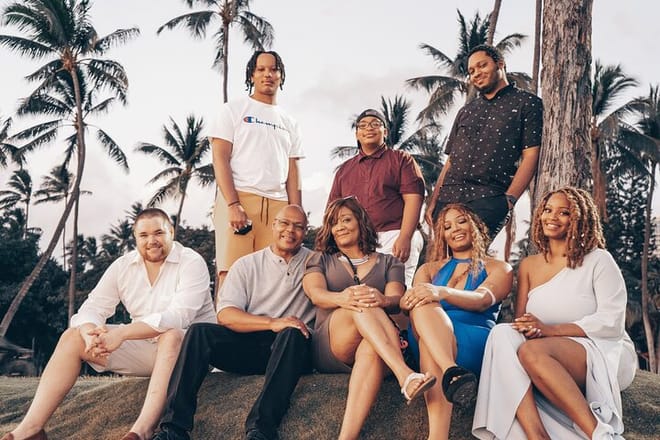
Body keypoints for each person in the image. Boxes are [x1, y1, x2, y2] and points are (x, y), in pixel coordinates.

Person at [1, 208, 216, 440]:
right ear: (135, 237)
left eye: (158, 233)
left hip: (192, 354)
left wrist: (121, 334)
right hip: (150, 351)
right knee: (72, 337)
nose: (151, 241)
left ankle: (140, 432)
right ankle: (30, 430)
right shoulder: (123, 266)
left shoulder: (191, 261)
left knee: (171, 334)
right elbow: (93, 307)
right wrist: (89, 333)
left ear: (171, 232)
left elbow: (178, 316)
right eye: (144, 235)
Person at [472, 187, 637, 440]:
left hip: (602, 349)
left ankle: (600, 433)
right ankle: (537, 435)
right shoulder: (528, 266)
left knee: (530, 351)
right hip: (545, 351)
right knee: (502, 333)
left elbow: (611, 321)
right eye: (548, 210)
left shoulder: (599, 260)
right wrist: (533, 329)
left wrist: (549, 330)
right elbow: (522, 322)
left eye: (564, 212)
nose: (552, 217)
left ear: (579, 218)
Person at [153, 205, 315, 440]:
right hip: (253, 343)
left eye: (298, 226)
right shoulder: (247, 264)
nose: (290, 230)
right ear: (273, 225)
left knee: (292, 333)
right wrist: (272, 322)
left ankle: (261, 430)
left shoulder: (316, 263)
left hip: (293, 349)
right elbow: (226, 314)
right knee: (199, 332)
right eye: (284, 223)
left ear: (305, 232)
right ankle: (173, 429)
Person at [302, 196, 436, 440]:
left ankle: (346, 437)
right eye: (334, 223)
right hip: (333, 343)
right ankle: (404, 374)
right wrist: (343, 298)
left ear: (360, 221)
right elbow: (316, 294)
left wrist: (382, 299)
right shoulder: (320, 259)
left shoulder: (389, 262)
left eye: (346, 220)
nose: (340, 227)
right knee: (360, 299)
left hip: (377, 342)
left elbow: (396, 300)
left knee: (370, 346)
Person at [400, 203, 513, 440]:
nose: (455, 229)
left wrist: (441, 292)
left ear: (475, 226)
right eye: (447, 226)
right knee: (424, 306)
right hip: (431, 331)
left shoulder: (499, 267)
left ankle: (437, 436)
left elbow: (482, 300)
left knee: (430, 340)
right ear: (442, 235)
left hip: (471, 339)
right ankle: (452, 371)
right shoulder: (428, 269)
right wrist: (410, 300)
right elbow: (410, 303)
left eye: (461, 221)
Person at [425, 44, 543, 240]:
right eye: (471, 71)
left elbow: (531, 155)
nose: (476, 74)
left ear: (500, 64)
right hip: (447, 200)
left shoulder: (528, 104)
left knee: (473, 257)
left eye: (482, 65)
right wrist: (434, 201)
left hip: (488, 200)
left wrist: (509, 201)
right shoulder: (466, 111)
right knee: (442, 258)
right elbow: (451, 160)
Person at [210, 50, 303, 292]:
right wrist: (233, 204)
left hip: (278, 206)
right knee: (232, 275)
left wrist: (296, 212)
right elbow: (220, 158)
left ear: (281, 76)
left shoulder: (289, 122)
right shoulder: (233, 110)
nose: (267, 74)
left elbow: (293, 171)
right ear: (251, 75)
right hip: (240, 199)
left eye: (273, 69)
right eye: (261, 69)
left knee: (274, 279)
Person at [327, 108, 425, 288]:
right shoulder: (344, 170)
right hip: (359, 242)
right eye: (363, 125)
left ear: (385, 132)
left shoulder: (401, 159)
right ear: (357, 134)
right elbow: (333, 211)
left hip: (395, 235)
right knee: (365, 294)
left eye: (375, 124)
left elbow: (414, 199)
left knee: (395, 292)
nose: (369, 128)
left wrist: (405, 237)